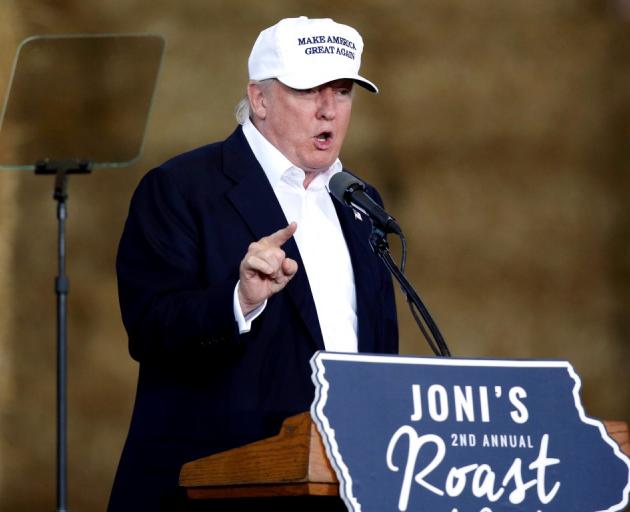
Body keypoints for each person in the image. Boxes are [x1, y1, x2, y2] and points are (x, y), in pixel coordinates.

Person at [108, 16, 398, 511]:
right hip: (219, 486)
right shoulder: (182, 189)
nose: (329, 110)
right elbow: (150, 329)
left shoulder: (358, 201)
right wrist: (238, 300)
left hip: (340, 488)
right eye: (309, 91)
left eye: (344, 91)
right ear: (259, 99)